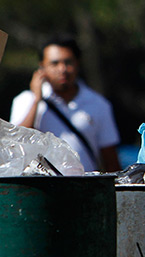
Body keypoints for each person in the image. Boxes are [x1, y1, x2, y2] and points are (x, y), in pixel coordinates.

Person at [10, 34, 122, 172]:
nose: (62, 69)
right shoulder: (25, 100)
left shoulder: (98, 104)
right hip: (40, 189)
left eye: (68, 62)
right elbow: (16, 145)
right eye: (54, 63)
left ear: (77, 64)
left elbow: (111, 160)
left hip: (84, 188)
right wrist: (36, 100)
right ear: (41, 68)